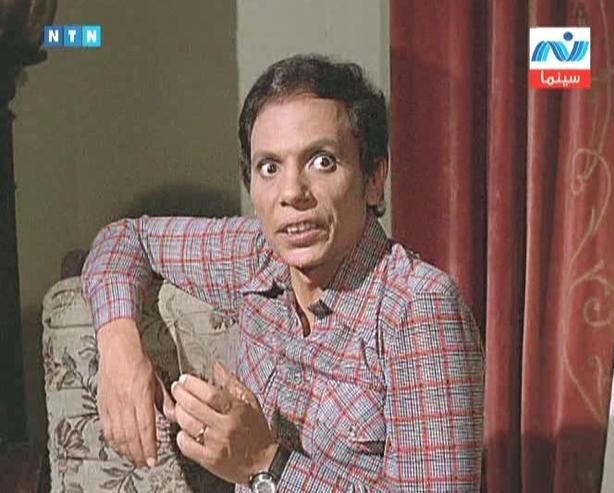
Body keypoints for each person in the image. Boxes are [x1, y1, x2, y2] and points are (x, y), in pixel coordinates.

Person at [82, 54, 485, 492]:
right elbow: (125, 239)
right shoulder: (257, 256)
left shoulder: (420, 309)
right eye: (269, 167)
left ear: (374, 178)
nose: (292, 192)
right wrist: (119, 349)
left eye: (322, 161)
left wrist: (265, 463)